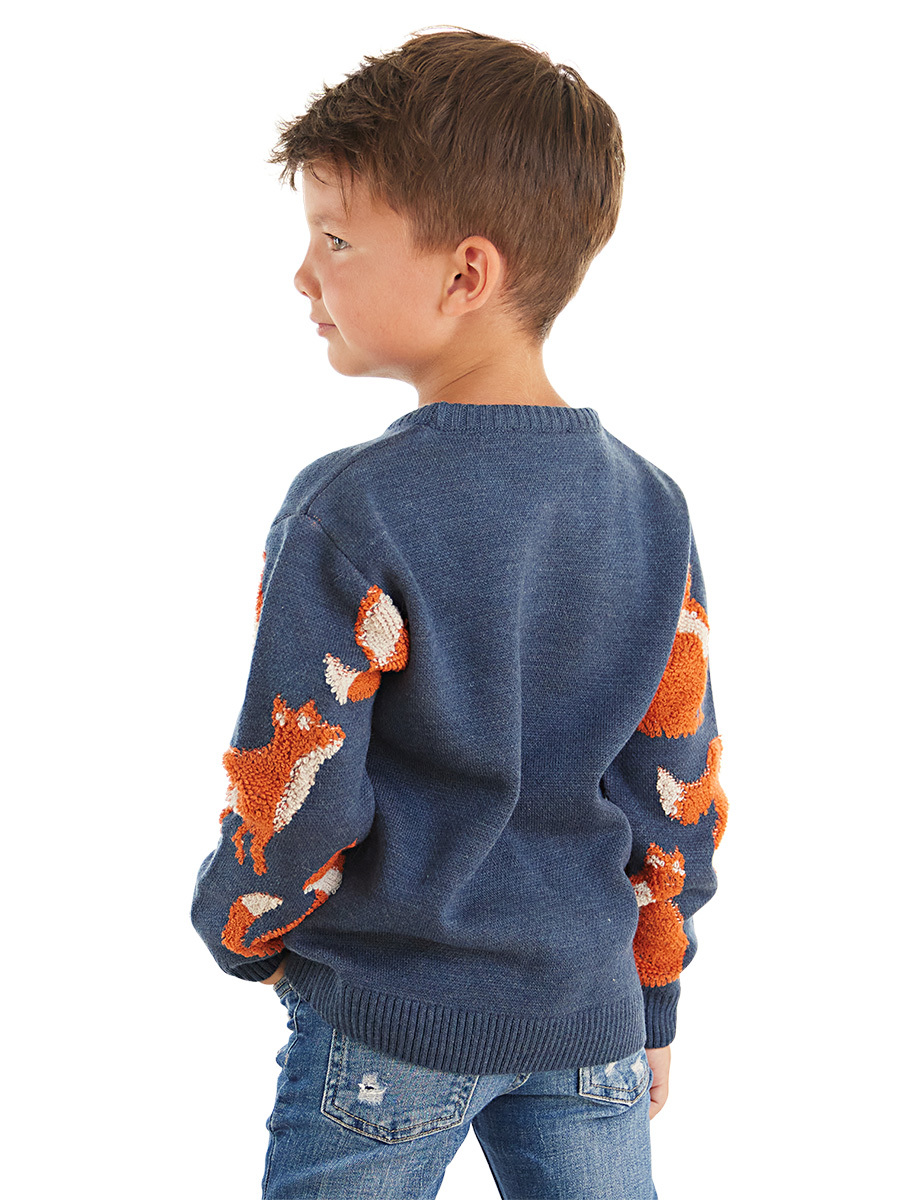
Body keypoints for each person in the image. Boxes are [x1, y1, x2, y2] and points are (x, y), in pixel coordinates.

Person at [191, 26, 729, 1200]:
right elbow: (675, 785)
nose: (303, 275)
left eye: (335, 240)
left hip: (392, 1015)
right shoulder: (651, 507)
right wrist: (655, 994)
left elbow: (297, 783)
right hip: (588, 1012)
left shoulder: (350, 511)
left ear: (465, 274)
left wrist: (240, 926)